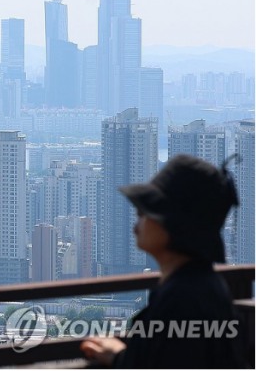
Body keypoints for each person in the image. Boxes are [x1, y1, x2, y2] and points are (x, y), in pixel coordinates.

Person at [80, 154, 250, 368]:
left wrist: (121, 359)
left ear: (174, 225)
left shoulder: (182, 300)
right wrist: (121, 356)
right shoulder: (201, 286)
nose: (137, 222)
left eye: (145, 212)